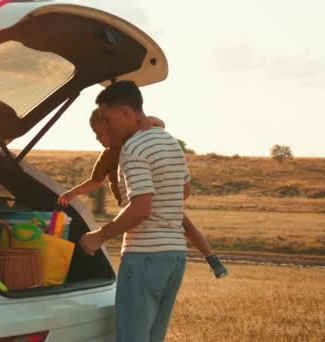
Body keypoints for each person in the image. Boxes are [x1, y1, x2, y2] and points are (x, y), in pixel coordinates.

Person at [78, 80, 190, 342]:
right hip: (174, 257)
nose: (104, 125)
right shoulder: (169, 140)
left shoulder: (133, 148)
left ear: (126, 113)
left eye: (107, 118)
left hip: (145, 257)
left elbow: (141, 207)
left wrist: (99, 236)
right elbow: (184, 190)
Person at [58, 109, 228, 278]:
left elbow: (156, 125)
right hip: (133, 206)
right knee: (136, 235)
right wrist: (73, 192)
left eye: (99, 133)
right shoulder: (107, 157)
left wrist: (155, 120)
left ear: (113, 126)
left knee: (187, 226)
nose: (97, 138)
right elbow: (96, 181)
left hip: (154, 200)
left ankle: (211, 258)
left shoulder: (136, 142)